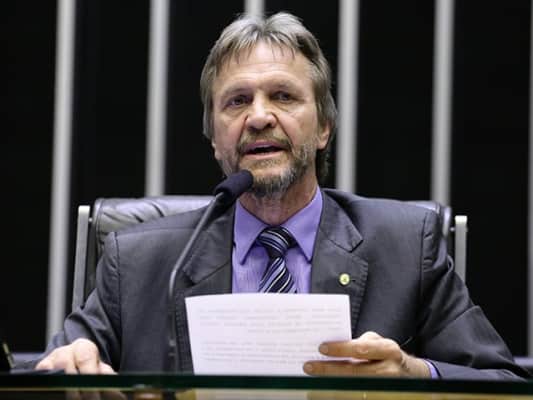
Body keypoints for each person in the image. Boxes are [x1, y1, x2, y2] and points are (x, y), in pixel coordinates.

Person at [34, 11, 528, 379]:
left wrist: (416, 374)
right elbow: (55, 370)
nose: (259, 117)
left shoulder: (406, 247)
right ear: (214, 138)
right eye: (237, 101)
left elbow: (502, 383)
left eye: (283, 96)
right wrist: (68, 365)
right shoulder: (139, 261)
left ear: (324, 128)